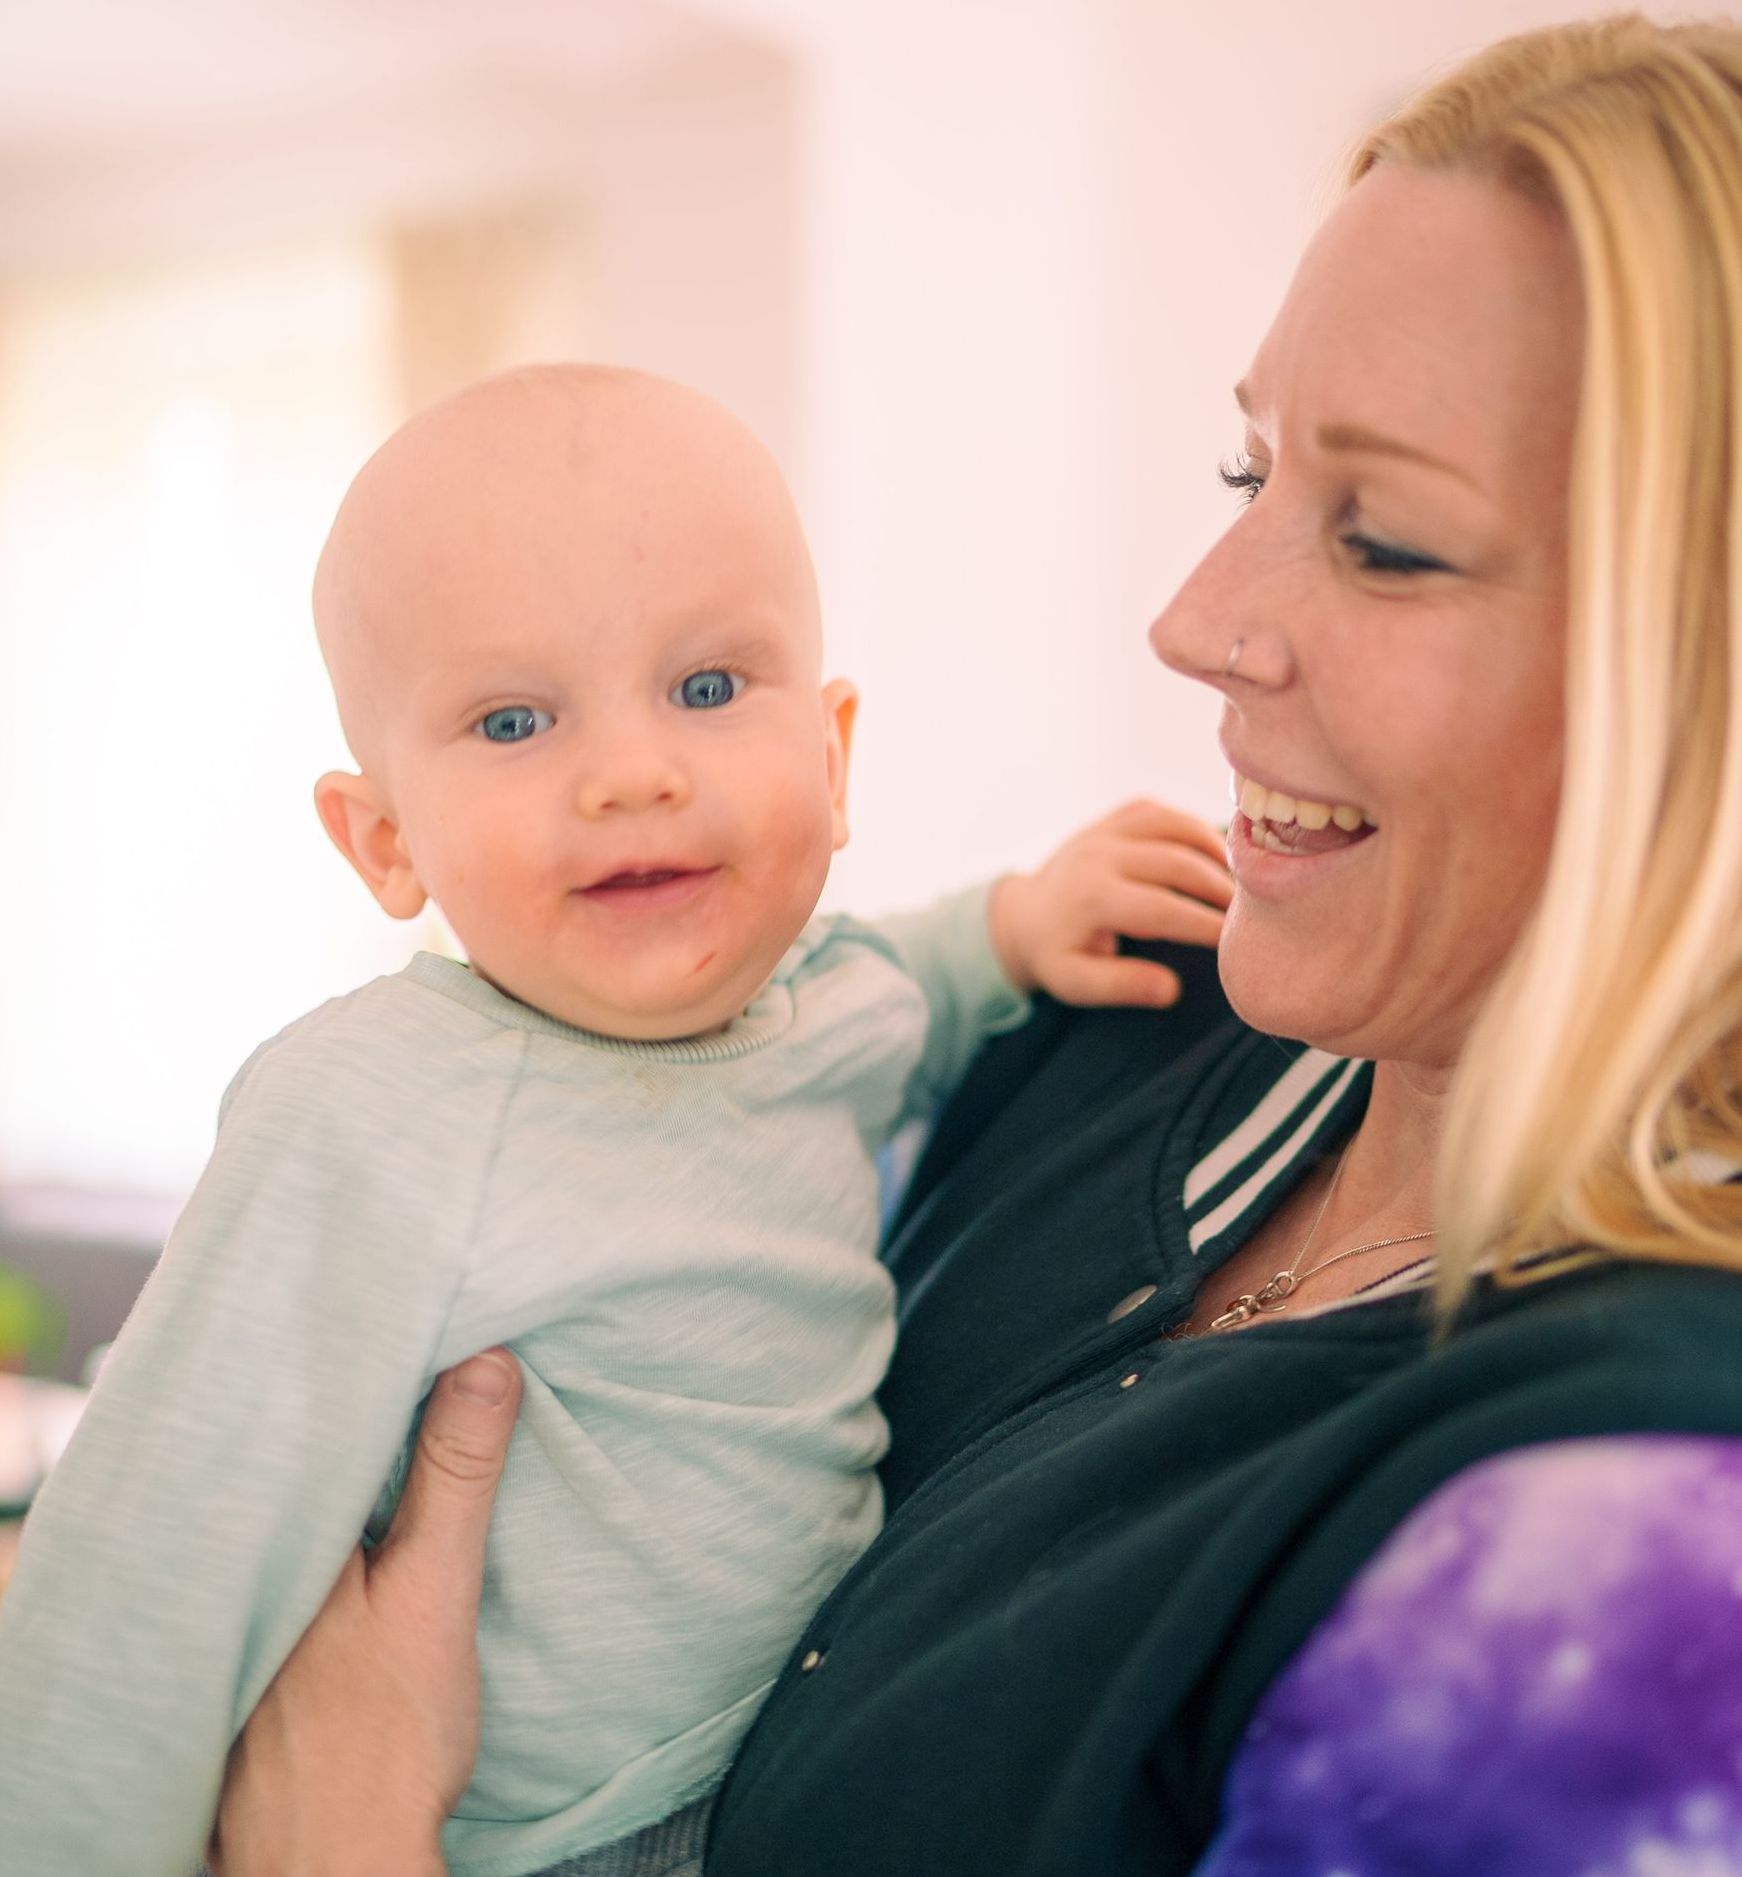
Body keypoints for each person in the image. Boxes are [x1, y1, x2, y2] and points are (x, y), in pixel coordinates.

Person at [211, 12, 1742, 1875]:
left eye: (1388, 541)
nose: (1192, 621)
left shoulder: (1634, 1547)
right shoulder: (1118, 1016)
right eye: (1246, 476)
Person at [0, 367, 1236, 1877]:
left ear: (831, 761)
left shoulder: (831, 1002)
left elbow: (917, 974)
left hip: (801, 1767)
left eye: (707, 688)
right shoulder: (379, 1101)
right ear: (384, 840)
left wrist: (1019, 921)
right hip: (537, 1834)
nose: (633, 774)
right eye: (514, 719)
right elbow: (147, 1562)